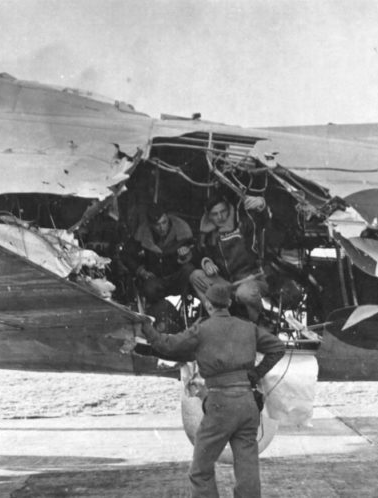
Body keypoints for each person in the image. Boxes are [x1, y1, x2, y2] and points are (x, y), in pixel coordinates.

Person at [141, 283, 285, 498]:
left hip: (220, 403)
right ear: (228, 303)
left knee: (200, 471)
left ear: (207, 304)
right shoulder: (248, 327)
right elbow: (278, 348)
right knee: (247, 468)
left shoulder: (201, 330)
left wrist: (147, 328)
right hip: (247, 402)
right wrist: (255, 374)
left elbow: (167, 346)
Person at [190, 194, 269, 322]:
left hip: (252, 279)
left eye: (223, 212)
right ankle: (218, 319)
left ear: (229, 209)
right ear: (208, 216)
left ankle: (259, 324)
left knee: (244, 293)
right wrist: (206, 262)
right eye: (215, 214)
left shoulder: (242, 222)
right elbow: (199, 253)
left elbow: (262, 222)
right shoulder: (207, 234)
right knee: (195, 276)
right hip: (228, 284)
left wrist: (261, 205)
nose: (220, 217)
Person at [122, 204, 196, 305]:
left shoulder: (182, 230)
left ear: (168, 219)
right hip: (156, 280)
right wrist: (141, 271)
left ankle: (187, 308)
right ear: (151, 225)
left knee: (189, 270)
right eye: (157, 225)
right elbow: (126, 255)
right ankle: (159, 312)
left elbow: (198, 253)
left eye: (164, 222)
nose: (162, 228)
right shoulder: (142, 234)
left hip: (177, 277)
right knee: (149, 288)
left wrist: (188, 254)